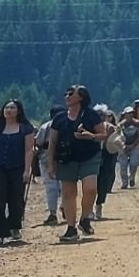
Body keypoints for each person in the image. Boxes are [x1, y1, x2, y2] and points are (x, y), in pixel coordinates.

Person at [50, 86, 107, 243]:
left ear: (81, 97)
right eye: (66, 94)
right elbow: (52, 142)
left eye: (71, 94)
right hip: (67, 158)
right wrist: (50, 163)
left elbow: (103, 135)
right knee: (69, 194)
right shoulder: (59, 118)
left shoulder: (91, 115)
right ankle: (71, 228)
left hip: (89, 156)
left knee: (91, 188)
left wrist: (90, 136)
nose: (67, 96)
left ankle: (84, 218)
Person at [0, 99, 33, 247]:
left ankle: (14, 225)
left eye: (12, 108)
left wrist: (27, 170)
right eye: (7, 107)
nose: (9, 110)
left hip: (17, 168)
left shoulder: (26, 128)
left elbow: (29, 150)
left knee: (16, 200)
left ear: (18, 111)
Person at [34, 109, 61, 226]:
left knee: (50, 186)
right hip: (63, 156)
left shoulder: (45, 126)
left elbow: (38, 141)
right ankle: (65, 205)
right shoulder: (65, 124)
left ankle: (53, 213)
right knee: (64, 184)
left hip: (45, 156)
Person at [93, 104, 118, 219]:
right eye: (97, 114)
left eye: (102, 114)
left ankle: (99, 204)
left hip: (107, 155)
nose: (100, 116)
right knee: (92, 182)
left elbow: (117, 140)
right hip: (92, 155)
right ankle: (89, 207)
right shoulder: (89, 126)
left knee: (103, 180)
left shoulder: (111, 127)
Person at [115, 108, 139, 190]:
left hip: (134, 146)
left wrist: (133, 145)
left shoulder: (137, 123)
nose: (130, 114)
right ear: (125, 115)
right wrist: (123, 145)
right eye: (128, 113)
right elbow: (117, 136)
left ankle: (132, 178)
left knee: (134, 163)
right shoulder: (120, 125)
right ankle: (124, 183)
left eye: (131, 113)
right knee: (123, 166)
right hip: (123, 146)